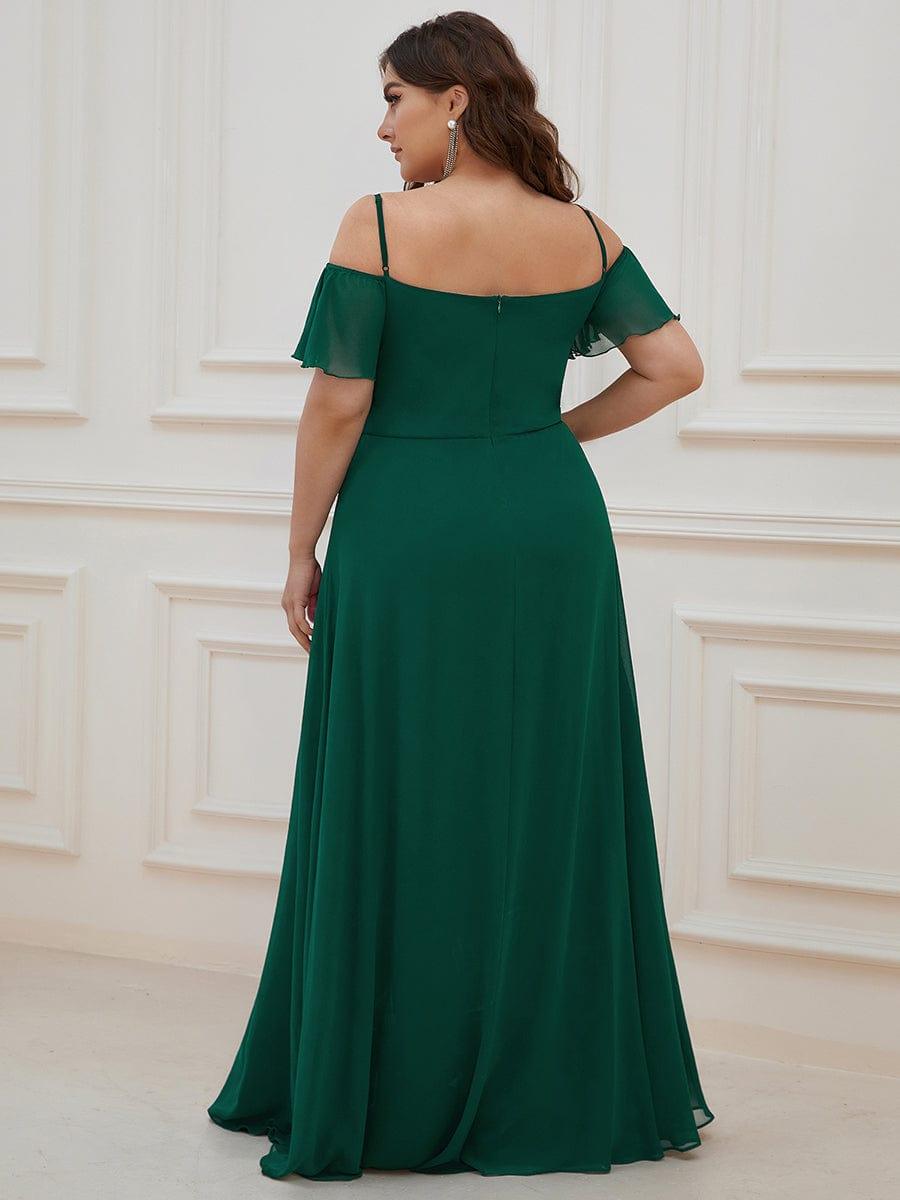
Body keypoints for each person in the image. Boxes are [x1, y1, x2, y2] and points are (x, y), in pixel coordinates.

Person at [207, 11, 714, 1182]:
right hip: (551, 532)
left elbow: (340, 401)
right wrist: (546, 439)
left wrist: (299, 548)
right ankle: (545, 1079)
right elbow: (676, 367)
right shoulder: (583, 233)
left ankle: (388, 1084)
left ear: (456, 99)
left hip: (409, 529)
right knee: (539, 794)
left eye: (395, 98)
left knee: (401, 791)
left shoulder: (382, 227)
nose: (382, 127)